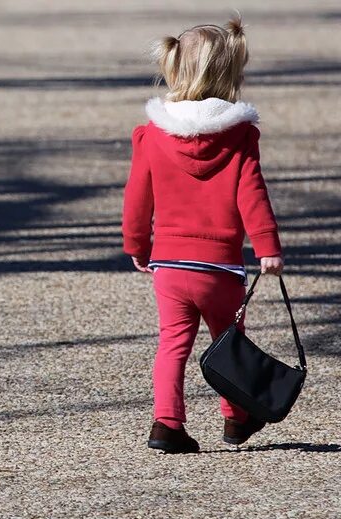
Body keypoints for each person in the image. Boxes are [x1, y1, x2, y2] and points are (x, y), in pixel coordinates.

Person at [122, 16, 284, 454]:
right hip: (220, 267)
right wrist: (267, 246)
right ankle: (236, 418)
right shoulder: (238, 136)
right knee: (228, 343)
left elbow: (138, 198)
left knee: (171, 345)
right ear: (232, 73)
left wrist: (137, 245)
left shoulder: (152, 135)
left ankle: (166, 424)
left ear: (174, 67)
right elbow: (252, 192)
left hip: (171, 265)